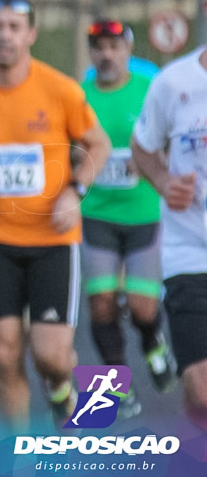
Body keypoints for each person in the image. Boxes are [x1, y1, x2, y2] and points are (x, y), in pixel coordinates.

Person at [0, 0, 111, 430]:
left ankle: (61, 390)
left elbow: (98, 144)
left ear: (31, 34)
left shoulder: (60, 90)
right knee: (5, 351)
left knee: (50, 356)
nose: (5, 35)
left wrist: (76, 189)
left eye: (15, 27)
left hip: (52, 238)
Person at [80, 19, 176, 420]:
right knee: (101, 304)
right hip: (95, 215)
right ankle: (117, 388)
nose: (107, 54)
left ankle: (154, 342)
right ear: (91, 52)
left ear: (128, 50)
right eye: (99, 47)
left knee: (141, 308)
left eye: (114, 47)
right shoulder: (79, 94)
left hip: (145, 215)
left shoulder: (150, 88)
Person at [131, 41, 207, 430]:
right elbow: (142, 147)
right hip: (190, 251)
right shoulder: (172, 82)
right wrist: (163, 181)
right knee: (201, 389)